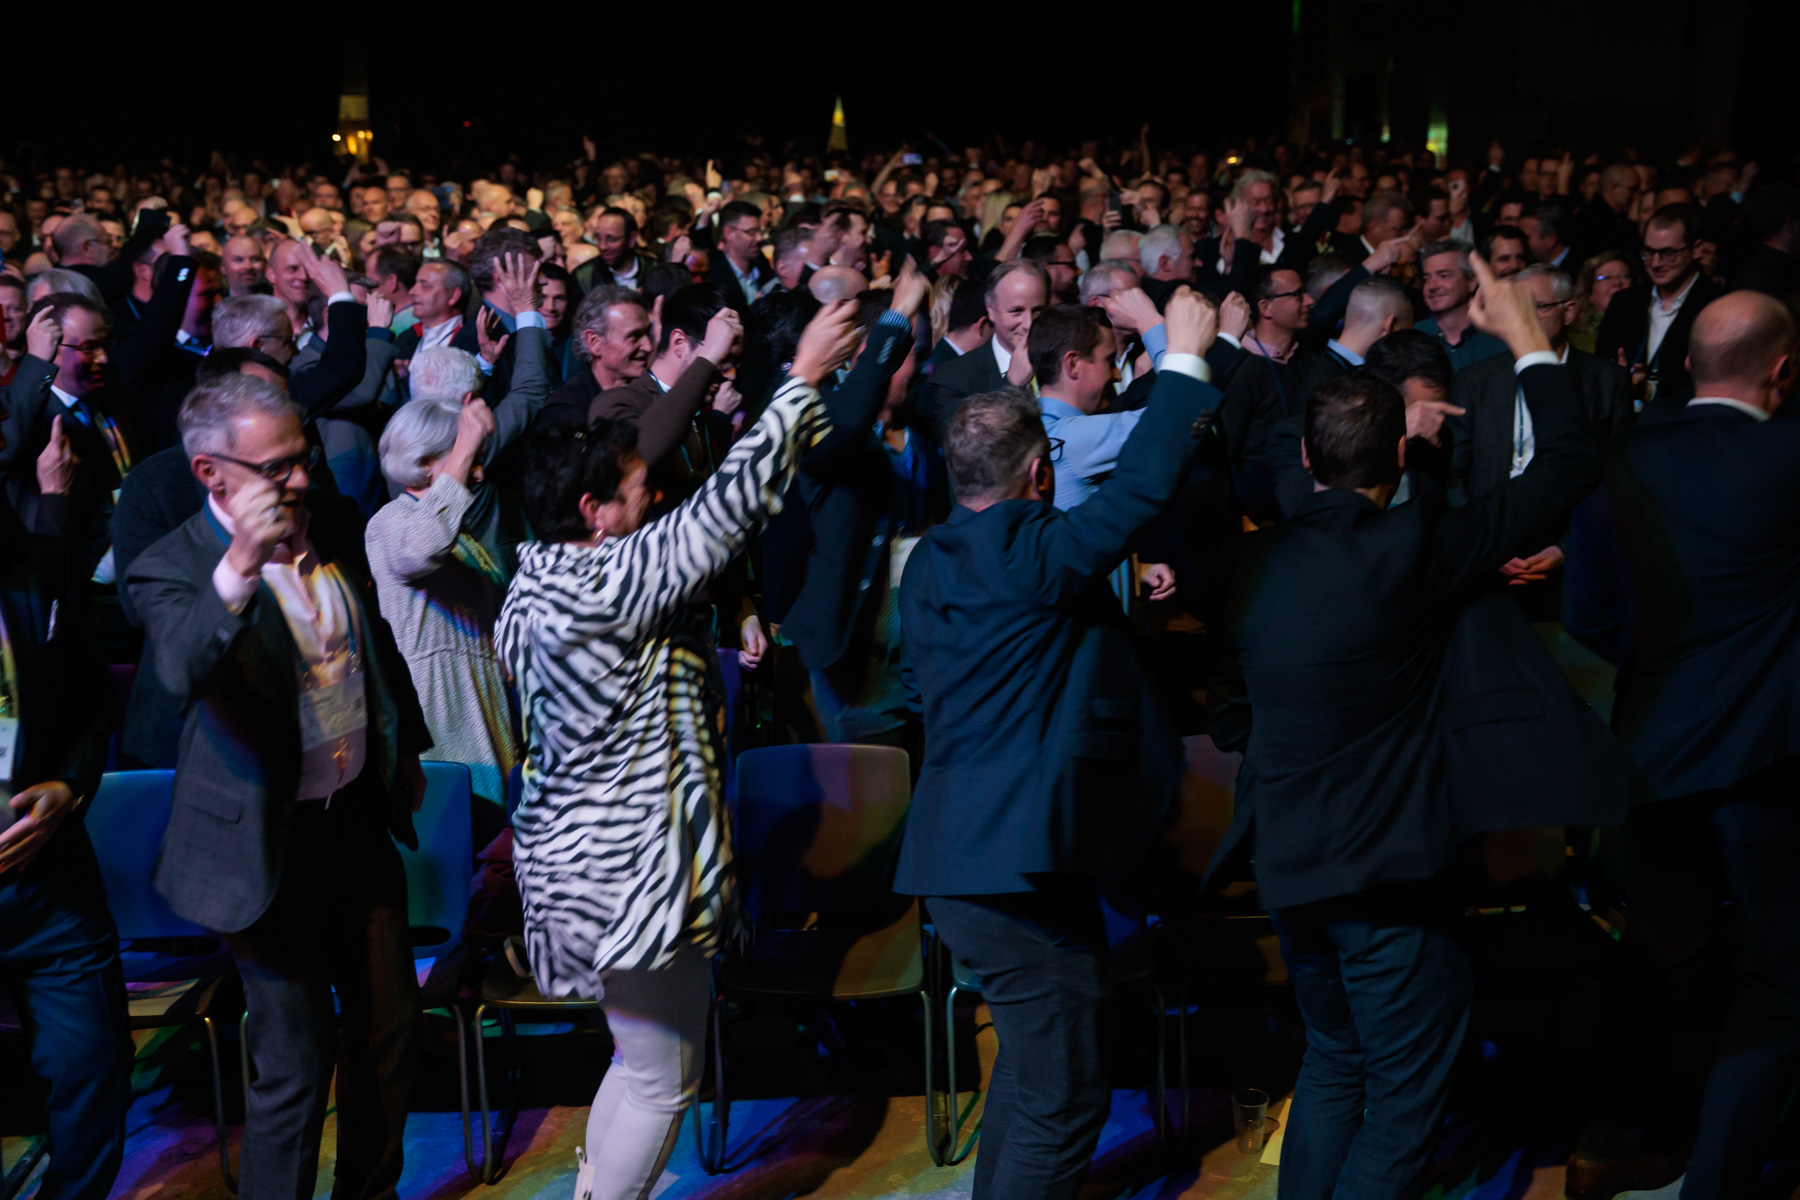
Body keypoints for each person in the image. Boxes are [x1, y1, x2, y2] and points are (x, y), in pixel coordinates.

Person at [1207, 254, 1617, 1200]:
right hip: (1385, 876)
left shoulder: (1250, 564)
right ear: (1397, 457)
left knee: (1333, 1064)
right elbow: (1568, 466)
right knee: (1401, 1100)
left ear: (1304, 461)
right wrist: (1528, 343)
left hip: (1288, 863)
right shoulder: (1418, 547)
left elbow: (1231, 709)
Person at [495, 298, 864, 1200]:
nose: (654, 497)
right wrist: (803, 377)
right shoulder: (609, 581)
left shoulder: (531, 585)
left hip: (575, 869)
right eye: (635, 490)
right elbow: (727, 509)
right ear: (592, 511)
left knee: (635, 1062)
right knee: (664, 1080)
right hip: (632, 875)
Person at [896, 288, 1219, 1200]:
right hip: (1011, 869)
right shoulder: (1033, 552)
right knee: (1065, 1094)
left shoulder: (931, 562)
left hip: (984, 859)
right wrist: (1183, 357)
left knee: (1038, 1078)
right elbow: (1144, 486)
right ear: (1040, 475)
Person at [125, 375, 431, 1200]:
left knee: (390, 1035)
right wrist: (240, 565)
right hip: (262, 846)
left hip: (355, 821)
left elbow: (375, 644)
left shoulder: (332, 519)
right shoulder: (171, 565)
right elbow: (183, 669)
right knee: (295, 1065)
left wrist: (404, 749)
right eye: (276, 468)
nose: (299, 478)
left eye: (303, 457)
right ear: (210, 472)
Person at [1562, 291, 1800, 1200]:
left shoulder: (1623, 459)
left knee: (1658, 957)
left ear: (1688, 365)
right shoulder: (1788, 457)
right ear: (1783, 371)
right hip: (1767, 760)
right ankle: (1717, 1181)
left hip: (1652, 752)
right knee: (1780, 977)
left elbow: (1586, 611)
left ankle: (1607, 1148)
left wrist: (1660, 664)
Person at [0, 404, 127, 1200]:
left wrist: (69, 785)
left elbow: (90, 698)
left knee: (94, 1072)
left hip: (49, 889)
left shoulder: (35, 562)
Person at [366, 384, 519, 807]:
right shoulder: (390, 521)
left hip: (483, 712)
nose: (478, 473)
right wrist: (465, 441)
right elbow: (420, 549)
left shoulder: (460, 533)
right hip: (444, 723)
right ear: (424, 462)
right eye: (467, 457)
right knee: (464, 831)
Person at [1596, 204, 1722, 409]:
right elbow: (1600, 365)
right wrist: (1616, 378)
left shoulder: (1716, 306)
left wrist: (1650, 390)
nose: (1655, 263)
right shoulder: (1624, 302)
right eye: (1649, 252)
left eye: (1668, 253)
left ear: (1696, 249)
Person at [917, 259, 1049, 439]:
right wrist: (1011, 386)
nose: (1028, 323)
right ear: (991, 308)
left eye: (1038, 311)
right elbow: (964, 444)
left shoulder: (1061, 361)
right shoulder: (953, 378)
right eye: (1016, 311)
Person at [1415, 240, 1511, 371]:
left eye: (1443, 276)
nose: (1432, 286)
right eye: (1427, 279)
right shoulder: (1415, 335)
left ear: (1472, 281)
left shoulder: (1497, 335)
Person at [707, 199, 777, 311]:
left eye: (759, 231)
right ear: (729, 233)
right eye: (751, 232)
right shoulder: (712, 274)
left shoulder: (762, 264)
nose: (759, 238)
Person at [1568, 253, 1637, 353]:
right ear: (1589, 291)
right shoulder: (1575, 338)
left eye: (1624, 276)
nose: (1617, 283)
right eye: (1606, 278)